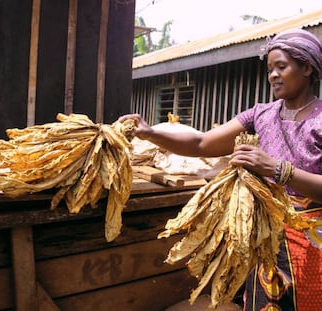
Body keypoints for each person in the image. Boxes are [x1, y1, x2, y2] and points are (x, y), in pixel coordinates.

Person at [119, 28, 322, 311]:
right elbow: (202, 143)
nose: (273, 75)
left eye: (282, 67)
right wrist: (150, 133)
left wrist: (278, 169)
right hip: (265, 236)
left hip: (312, 242)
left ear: (307, 67)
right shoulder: (260, 114)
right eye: (269, 69)